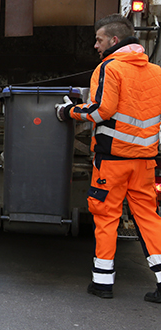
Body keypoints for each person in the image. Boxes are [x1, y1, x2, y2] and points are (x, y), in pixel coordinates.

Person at [55, 13, 161, 301]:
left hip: (112, 161)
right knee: (149, 218)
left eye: (99, 40)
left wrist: (70, 111)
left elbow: (102, 112)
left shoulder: (110, 68)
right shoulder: (156, 72)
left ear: (114, 40)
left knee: (106, 217)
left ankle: (102, 283)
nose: (95, 46)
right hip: (145, 161)